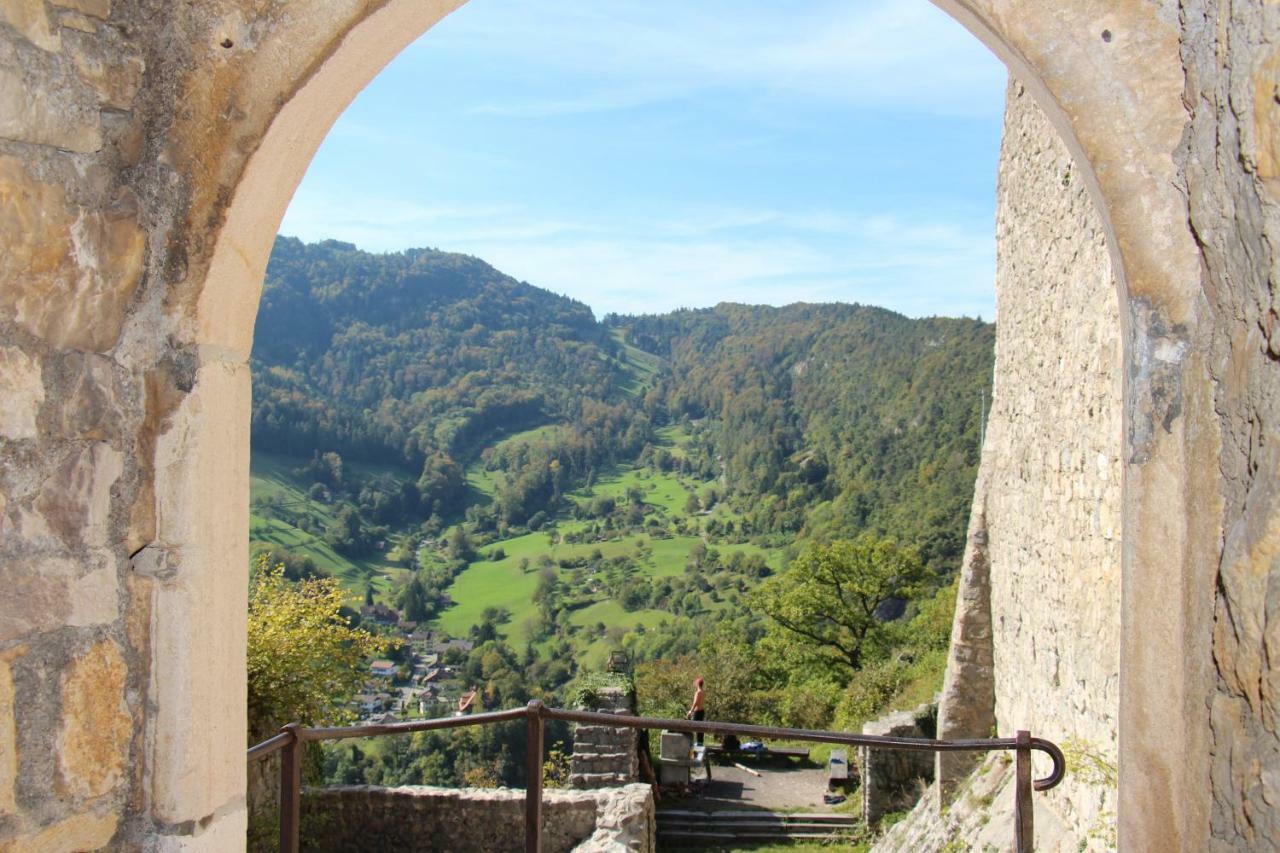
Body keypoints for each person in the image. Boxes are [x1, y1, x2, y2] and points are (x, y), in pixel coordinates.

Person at [686, 676, 706, 745]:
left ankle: (691, 742)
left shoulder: (698, 692)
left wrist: (690, 711)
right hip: (702, 711)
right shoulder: (703, 692)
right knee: (701, 728)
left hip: (697, 711)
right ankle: (700, 742)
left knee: (693, 726)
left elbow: (695, 703)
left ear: (697, 684)